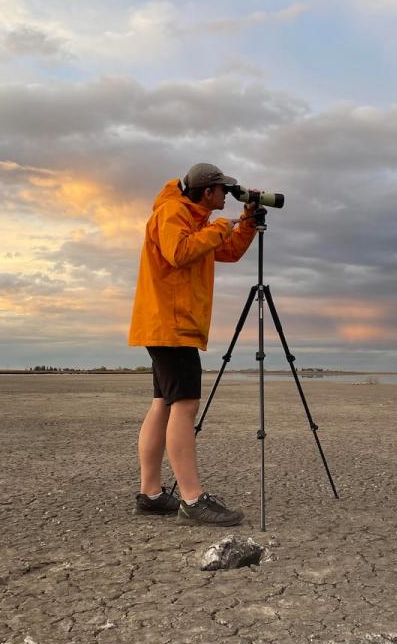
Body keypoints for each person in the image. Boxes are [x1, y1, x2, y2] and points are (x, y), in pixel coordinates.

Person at [128, 162, 259, 526]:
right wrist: (220, 225)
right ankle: (192, 499)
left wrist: (245, 225)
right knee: (185, 406)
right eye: (223, 190)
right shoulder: (172, 213)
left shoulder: (194, 218)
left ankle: (151, 495)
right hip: (171, 324)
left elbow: (227, 252)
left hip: (169, 325)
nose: (226, 196)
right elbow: (179, 252)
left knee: (163, 405)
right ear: (208, 192)